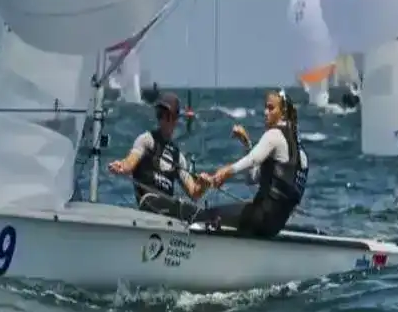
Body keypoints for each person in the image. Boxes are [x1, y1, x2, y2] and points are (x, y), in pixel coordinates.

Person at [196, 89, 309, 238]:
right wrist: (247, 144)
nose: (265, 112)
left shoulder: (274, 135)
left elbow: (252, 160)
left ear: (282, 113)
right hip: (275, 224)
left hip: (261, 215)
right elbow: (252, 178)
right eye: (265, 107)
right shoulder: (300, 153)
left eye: (271, 108)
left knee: (205, 216)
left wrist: (225, 172)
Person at [108, 92, 207, 220]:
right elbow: (130, 163)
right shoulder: (146, 140)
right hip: (148, 208)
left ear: (175, 119)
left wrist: (204, 184)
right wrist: (121, 166)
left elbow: (194, 193)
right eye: (159, 115)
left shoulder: (178, 157)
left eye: (166, 115)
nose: (162, 119)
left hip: (168, 215)